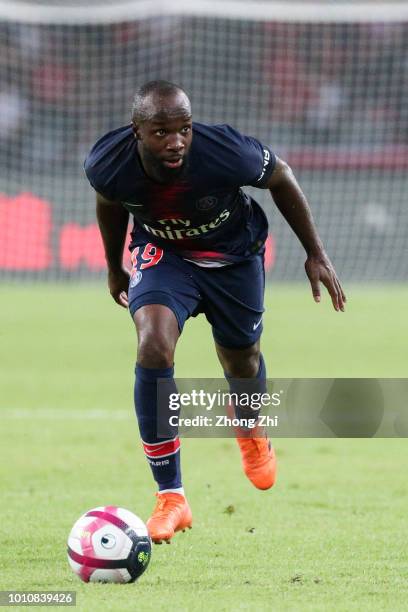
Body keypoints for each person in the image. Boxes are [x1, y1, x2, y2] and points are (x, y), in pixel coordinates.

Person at [84, 80, 346, 544]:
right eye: (162, 132)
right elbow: (110, 201)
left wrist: (315, 253)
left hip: (234, 258)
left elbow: (280, 175)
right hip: (164, 255)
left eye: (183, 129)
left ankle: (249, 427)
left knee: (241, 359)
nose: (176, 142)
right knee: (153, 346)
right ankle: (172, 496)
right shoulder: (108, 162)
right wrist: (114, 267)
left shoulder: (225, 150)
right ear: (137, 131)